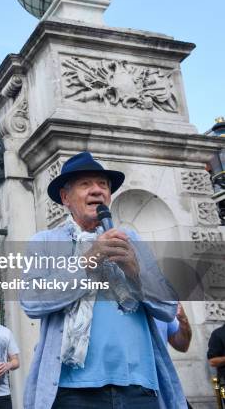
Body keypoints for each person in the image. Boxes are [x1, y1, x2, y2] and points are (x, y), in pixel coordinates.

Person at [20, 151, 186, 409]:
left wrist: (134, 272)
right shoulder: (43, 242)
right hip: (73, 392)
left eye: (103, 184)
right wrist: (89, 260)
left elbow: (167, 308)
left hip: (139, 389)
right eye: (85, 184)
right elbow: (31, 302)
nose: (97, 190)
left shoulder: (130, 239)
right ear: (65, 197)